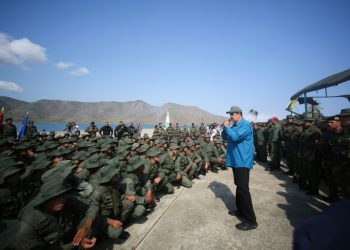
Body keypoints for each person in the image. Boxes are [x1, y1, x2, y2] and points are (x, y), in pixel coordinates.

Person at [221, 106, 258, 231]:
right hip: (236, 161)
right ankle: (241, 210)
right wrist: (225, 128)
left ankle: (251, 220)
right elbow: (225, 137)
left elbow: (236, 137)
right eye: (230, 114)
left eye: (232, 114)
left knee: (243, 188)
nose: (230, 117)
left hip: (242, 161)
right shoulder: (234, 126)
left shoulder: (245, 125)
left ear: (239, 114)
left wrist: (228, 127)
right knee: (239, 186)